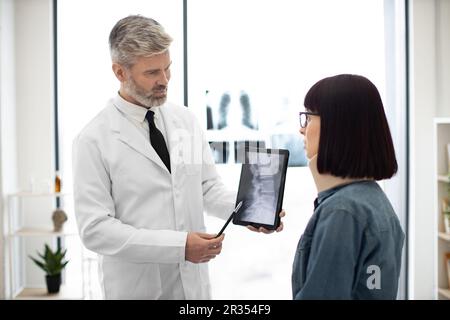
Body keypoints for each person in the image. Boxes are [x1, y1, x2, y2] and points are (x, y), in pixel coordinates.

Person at [72, 15, 284, 300]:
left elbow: (207, 187)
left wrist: (251, 211)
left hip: (193, 289)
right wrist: (179, 246)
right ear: (120, 72)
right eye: (152, 73)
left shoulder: (184, 120)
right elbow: (96, 229)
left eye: (167, 68)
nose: (164, 80)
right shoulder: (93, 140)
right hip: (138, 289)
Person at [292, 74, 405, 299]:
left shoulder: (342, 212)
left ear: (337, 127)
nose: (302, 130)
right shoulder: (373, 201)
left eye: (308, 118)